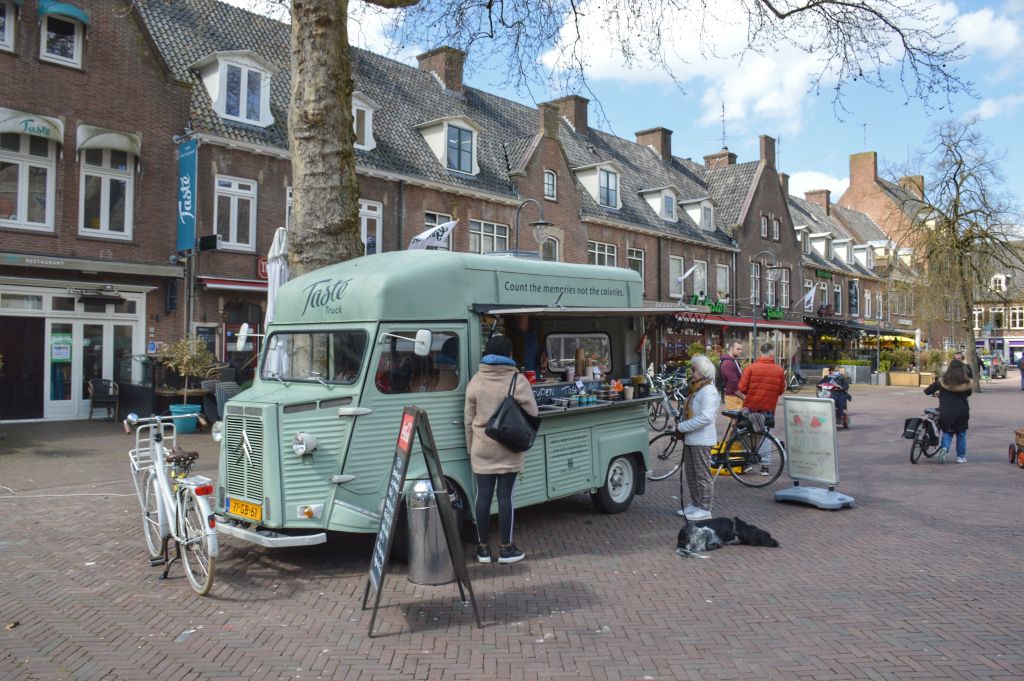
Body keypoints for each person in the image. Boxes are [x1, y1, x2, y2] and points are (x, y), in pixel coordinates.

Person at [464, 335, 539, 564]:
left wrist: (471, 448)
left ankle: (483, 550)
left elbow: (468, 420)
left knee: (483, 497)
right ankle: (506, 549)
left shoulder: (476, 381)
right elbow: (533, 413)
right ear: (509, 355)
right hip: (509, 448)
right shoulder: (518, 380)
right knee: (505, 497)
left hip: (482, 447)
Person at [674, 354, 720, 521]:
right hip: (692, 438)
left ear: (703, 372)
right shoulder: (698, 389)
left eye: (694, 370)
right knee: (691, 474)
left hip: (702, 440)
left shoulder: (708, 391)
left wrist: (682, 426)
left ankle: (705, 508)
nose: (691, 373)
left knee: (702, 476)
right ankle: (696, 504)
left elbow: (706, 417)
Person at [738, 342, 787, 475]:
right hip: (768, 409)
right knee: (765, 435)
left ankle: (746, 463)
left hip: (750, 408)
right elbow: (781, 390)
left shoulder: (750, 368)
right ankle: (765, 466)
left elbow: (742, 388)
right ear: (772, 353)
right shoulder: (779, 370)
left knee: (746, 433)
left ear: (760, 352)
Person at [923, 359, 972, 463]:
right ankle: (960, 457)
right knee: (961, 434)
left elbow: (927, 391)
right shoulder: (966, 382)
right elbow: (969, 393)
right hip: (962, 412)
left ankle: (944, 448)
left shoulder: (942, 381)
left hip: (946, 411)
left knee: (947, 432)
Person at [718, 341, 745, 410]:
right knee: (735, 416)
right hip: (733, 397)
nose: (740, 351)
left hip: (736, 396)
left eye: (741, 349)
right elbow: (733, 384)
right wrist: (743, 397)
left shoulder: (732, 360)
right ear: (731, 348)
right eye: (738, 349)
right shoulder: (728, 363)